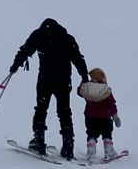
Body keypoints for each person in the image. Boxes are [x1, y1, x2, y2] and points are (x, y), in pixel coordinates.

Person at [9, 18, 89, 159]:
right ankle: (68, 146)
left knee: (41, 108)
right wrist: (84, 76)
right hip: (64, 80)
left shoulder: (39, 35)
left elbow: (25, 50)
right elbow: (78, 58)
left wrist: (15, 66)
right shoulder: (67, 38)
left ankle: (39, 142)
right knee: (64, 111)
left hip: (45, 79)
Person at [77, 67, 121, 162]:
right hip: (105, 117)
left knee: (91, 133)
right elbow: (112, 104)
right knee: (107, 134)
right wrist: (115, 117)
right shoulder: (105, 89)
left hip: (89, 116)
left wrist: (83, 82)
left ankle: (91, 152)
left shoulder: (87, 87)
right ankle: (109, 152)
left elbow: (79, 92)